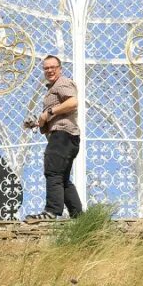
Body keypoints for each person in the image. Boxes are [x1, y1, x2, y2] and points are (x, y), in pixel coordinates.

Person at [23, 54, 84, 219]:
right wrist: (38, 122)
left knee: (53, 172)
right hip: (66, 137)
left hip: (62, 135)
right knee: (62, 178)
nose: (49, 70)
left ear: (60, 69)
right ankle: (79, 216)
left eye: (53, 67)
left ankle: (51, 211)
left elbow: (73, 102)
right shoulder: (52, 89)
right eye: (46, 68)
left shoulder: (63, 83)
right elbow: (56, 113)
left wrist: (49, 112)